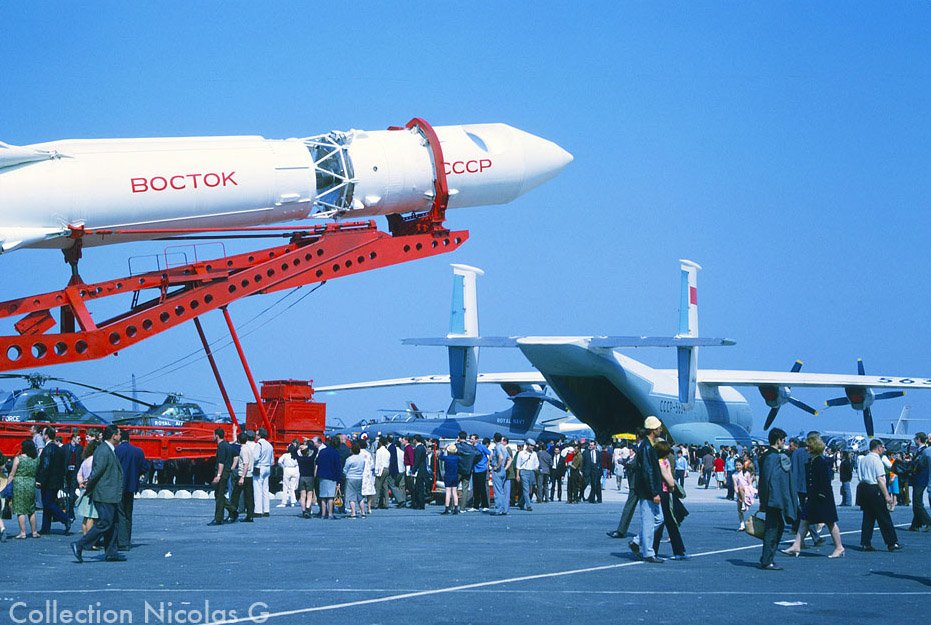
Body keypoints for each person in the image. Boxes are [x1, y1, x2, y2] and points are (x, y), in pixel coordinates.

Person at [782, 434, 845, 559]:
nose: (806, 448)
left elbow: (823, 482)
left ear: (813, 447)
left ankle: (839, 547)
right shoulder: (813, 461)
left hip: (822, 498)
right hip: (813, 497)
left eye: (808, 446)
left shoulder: (820, 462)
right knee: (804, 521)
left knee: (830, 522)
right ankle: (797, 545)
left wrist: (819, 496)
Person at [72, 425, 125, 563]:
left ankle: (111, 552)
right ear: (114, 435)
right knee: (105, 522)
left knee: (113, 523)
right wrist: (88, 489)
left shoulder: (108, 449)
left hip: (110, 494)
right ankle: (80, 544)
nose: (121, 436)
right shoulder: (103, 451)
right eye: (119, 434)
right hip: (104, 493)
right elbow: (97, 472)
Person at [757, 427, 798, 571]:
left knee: (776, 527)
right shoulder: (772, 457)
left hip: (772, 499)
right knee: (772, 529)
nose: (784, 443)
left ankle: (768, 558)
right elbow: (768, 479)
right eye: (783, 440)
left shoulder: (768, 455)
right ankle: (767, 560)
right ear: (778, 440)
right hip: (774, 499)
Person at [857, 439, 901, 552]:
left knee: (868, 518)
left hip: (864, 489)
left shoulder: (863, 459)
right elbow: (880, 479)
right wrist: (887, 495)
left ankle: (865, 543)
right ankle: (891, 542)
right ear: (878, 448)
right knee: (884, 517)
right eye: (883, 447)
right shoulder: (877, 461)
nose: (884, 449)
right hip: (875, 489)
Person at [632, 416, 665, 563]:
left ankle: (637, 541)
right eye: (658, 428)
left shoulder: (649, 445)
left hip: (650, 490)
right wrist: (654, 493)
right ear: (653, 430)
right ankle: (648, 553)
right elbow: (647, 471)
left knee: (658, 519)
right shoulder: (646, 447)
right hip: (648, 492)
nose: (661, 429)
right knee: (648, 522)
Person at [650, 440, 688, 560]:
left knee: (662, 523)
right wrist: (672, 486)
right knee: (668, 523)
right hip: (665, 493)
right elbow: (669, 478)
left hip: (662, 493)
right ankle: (678, 551)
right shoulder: (663, 462)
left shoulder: (659, 461)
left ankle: (654, 551)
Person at [36, 427, 72, 535]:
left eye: (42, 434)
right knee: (48, 504)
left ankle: (65, 518)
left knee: (48, 503)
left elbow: (45, 466)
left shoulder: (47, 449)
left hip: (48, 481)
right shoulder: (59, 449)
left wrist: (40, 480)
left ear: (46, 435)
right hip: (57, 480)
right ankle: (45, 527)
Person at [114, 431, 147, 548]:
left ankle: (122, 541)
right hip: (132, 486)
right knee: (128, 513)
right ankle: (127, 539)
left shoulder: (116, 450)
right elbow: (144, 467)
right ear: (129, 439)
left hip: (118, 486)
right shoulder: (138, 451)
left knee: (120, 513)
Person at [8, 439, 40, 539]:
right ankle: (34, 532)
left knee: (20, 509)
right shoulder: (36, 459)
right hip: (31, 483)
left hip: (19, 484)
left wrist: (6, 485)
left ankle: (23, 532)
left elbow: (12, 474)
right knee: (31, 509)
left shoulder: (19, 459)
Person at [208, 428, 236, 526]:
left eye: (213, 434)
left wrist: (218, 475)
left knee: (219, 496)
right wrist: (231, 468)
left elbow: (221, 462)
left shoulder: (221, 447)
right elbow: (235, 456)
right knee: (218, 494)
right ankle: (233, 510)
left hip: (222, 473)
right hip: (227, 472)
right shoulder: (228, 445)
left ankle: (218, 518)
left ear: (216, 435)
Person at [75, 440, 100, 537]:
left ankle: (85, 537)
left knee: (85, 517)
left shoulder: (86, 460)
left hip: (84, 490)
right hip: (92, 490)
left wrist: (81, 482)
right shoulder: (95, 460)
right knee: (91, 517)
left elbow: (79, 474)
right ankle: (90, 540)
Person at [908, 432, 931, 531]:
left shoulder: (924, 451)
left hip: (921, 479)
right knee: (917, 501)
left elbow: (921, 465)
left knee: (917, 502)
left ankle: (928, 522)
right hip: (918, 479)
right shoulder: (921, 450)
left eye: (915, 438)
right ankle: (916, 524)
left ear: (918, 439)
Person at [315, 435, 341, 520]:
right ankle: (330, 514)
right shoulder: (335, 453)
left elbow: (317, 462)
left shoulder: (322, 451)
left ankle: (323, 513)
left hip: (322, 475)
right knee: (330, 496)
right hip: (332, 476)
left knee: (323, 496)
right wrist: (338, 480)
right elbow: (338, 467)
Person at [232, 431, 255, 522]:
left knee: (235, 496)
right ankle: (250, 515)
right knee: (249, 496)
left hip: (243, 475)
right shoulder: (248, 448)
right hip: (249, 475)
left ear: (238, 440)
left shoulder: (243, 450)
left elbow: (245, 464)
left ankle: (233, 514)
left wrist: (242, 477)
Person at [62, 431, 84, 522]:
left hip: (75, 472)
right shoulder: (65, 447)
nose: (80, 440)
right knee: (66, 494)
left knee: (71, 494)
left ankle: (69, 512)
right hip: (66, 472)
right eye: (78, 438)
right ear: (73, 438)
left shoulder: (81, 448)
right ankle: (70, 512)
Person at [252, 428, 274, 518]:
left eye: (257, 434)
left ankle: (258, 510)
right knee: (265, 489)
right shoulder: (269, 445)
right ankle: (266, 510)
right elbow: (272, 460)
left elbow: (255, 457)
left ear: (259, 436)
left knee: (258, 489)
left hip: (259, 467)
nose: (256, 436)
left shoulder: (259, 444)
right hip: (267, 467)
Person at [342, 441, 366, 518]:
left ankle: (353, 513)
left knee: (351, 496)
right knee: (359, 496)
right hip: (359, 477)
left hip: (351, 477)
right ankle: (363, 512)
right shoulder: (362, 459)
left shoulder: (350, 459)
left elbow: (345, 469)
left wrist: (345, 474)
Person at [489, 433, 511, 516]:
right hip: (503, 470)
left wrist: (497, 466)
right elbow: (509, 459)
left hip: (497, 470)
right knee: (502, 491)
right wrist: (504, 468)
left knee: (497, 491)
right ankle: (505, 509)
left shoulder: (498, 447)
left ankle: (498, 509)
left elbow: (500, 457)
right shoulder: (503, 447)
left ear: (494, 439)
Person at [515, 439, 539, 511]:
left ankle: (521, 503)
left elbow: (536, 463)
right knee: (525, 489)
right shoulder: (521, 453)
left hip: (531, 472)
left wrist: (536, 468)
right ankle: (528, 506)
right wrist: (517, 475)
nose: (532, 447)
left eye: (533, 446)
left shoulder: (534, 453)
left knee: (529, 491)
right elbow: (518, 465)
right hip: (523, 471)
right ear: (527, 445)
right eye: (531, 445)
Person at [296, 439, 317, 519]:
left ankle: (303, 510)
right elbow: (315, 450)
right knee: (309, 494)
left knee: (302, 495)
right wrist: (308, 444)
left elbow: (294, 452)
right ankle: (308, 508)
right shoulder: (311, 459)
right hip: (310, 477)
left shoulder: (299, 459)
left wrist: (299, 447)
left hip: (302, 477)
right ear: (308, 452)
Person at [733, 460, 756, 531]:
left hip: (747, 491)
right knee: (739, 510)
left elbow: (750, 484)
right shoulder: (734, 475)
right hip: (740, 493)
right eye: (736, 465)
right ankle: (742, 525)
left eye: (739, 465)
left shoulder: (746, 473)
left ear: (742, 465)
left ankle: (744, 503)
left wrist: (750, 491)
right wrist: (737, 493)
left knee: (741, 487)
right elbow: (735, 486)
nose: (738, 467)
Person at [386, 435, 407, 508]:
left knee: (392, 485)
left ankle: (400, 500)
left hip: (395, 470)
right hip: (402, 470)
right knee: (402, 486)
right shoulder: (402, 452)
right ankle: (403, 499)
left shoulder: (392, 449)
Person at [471, 435, 491, 511]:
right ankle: (475, 506)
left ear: (476, 440)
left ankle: (485, 505)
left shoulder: (482, 447)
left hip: (482, 469)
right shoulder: (471, 447)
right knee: (475, 488)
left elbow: (490, 453)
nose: (471, 440)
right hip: (475, 469)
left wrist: (487, 463)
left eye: (472, 439)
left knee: (482, 487)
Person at [441, 443, 460, 515]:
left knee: (448, 492)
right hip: (455, 475)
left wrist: (443, 449)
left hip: (448, 475)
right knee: (454, 492)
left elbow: (440, 457)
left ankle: (447, 508)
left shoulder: (446, 458)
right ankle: (456, 508)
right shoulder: (457, 458)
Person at [411, 435, 428, 510]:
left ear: (415, 440)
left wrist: (413, 470)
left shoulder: (418, 448)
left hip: (419, 470)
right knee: (420, 487)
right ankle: (420, 503)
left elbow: (417, 460)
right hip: (423, 469)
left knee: (418, 487)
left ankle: (419, 504)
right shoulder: (423, 447)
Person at [374, 437, 392, 509]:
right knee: (385, 487)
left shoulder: (379, 451)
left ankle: (375, 502)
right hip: (387, 469)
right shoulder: (387, 451)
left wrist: (376, 471)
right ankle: (386, 503)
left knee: (377, 486)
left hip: (381, 469)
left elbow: (378, 462)